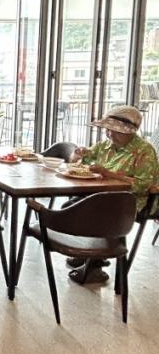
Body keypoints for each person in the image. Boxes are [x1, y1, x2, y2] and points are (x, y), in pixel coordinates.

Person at [67, 105, 159, 284]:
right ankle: (87, 252)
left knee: (97, 212)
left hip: (133, 201)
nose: (110, 134)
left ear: (130, 132)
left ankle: (95, 265)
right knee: (72, 206)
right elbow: (83, 158)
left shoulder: (144, 151)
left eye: (115, 131)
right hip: (103, 195)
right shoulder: (106, 145)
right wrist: (78, 154)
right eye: (108, 129)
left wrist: (108, 174)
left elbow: (143, 185)